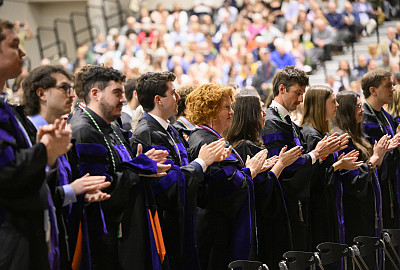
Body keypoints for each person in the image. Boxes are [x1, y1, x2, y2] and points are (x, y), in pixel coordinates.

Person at [69, 66, 170, 270]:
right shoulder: (84, 130)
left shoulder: (112, 125)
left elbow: (124, 166)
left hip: (129, 228)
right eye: (117, 93)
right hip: (106, 239)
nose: (124, 99)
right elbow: (101, 189)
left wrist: (141, 162)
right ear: (95, 94)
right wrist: (138, 168)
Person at [131, 72, 228, 270]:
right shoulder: (147, 133)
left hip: (184, 218)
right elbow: (166, 186)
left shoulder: (170, 129)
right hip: (168, 225)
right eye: (173, 93)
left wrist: (209, 160)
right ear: (158, 100)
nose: (178, 98)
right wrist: (201, 162)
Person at [22, 64, 111, 269]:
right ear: (41, 93)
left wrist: (81, 195)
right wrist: (73, 191)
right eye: (64, 88)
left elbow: (60, 187)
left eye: (72, 88)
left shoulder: (61, 131)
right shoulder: (27, 134)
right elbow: (27, 192)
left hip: (62, 236)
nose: (72, 95)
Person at [0, 19, 72, 269]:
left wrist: (45, 155)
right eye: (14, 45)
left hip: (34, 233)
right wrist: (44, 152)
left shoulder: (8, 110)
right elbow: (6, 176)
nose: (22, 53)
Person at [185, 83, 272, 269]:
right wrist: (250, 171)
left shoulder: (211, 138)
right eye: (226, 107)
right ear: (210, 110)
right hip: (215, 231)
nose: (232, 112)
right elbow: (220, 188)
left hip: (220, 228)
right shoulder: (205, 141)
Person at [260, 66, 347, 251]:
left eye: (303, 94)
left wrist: (320, 154)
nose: (300, 100)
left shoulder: (287, 121)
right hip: (283, 207)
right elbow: (284, 167)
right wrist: (316, 154)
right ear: (282, 89)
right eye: (297, 93)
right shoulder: (271, 122)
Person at [225, 92, 302, 270]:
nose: (264, 113)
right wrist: (281, 164)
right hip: (261, 226)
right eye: (260, 110)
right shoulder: (245, 147)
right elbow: (262, 191)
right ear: (250, 115)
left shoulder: (244, 144)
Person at [332, 91, 395, 269]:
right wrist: (375, 158)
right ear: (347, 110)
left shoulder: (358, 135)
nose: (361, 110)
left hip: (369, 208)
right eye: (358, 106)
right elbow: (353, 180)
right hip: (356, 211)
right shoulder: (342, 139)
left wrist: (381, 155)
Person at [300, 85, 362, 250]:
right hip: (319, 209)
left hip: (330, 203)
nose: (337, 105)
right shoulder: (311, 135)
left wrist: (340, 163)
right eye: (333, 101)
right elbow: (311, 177)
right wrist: (338, 165)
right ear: (320, 105)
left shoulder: (321, 133)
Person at [361, 69, 400, 232]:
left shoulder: (385, 115)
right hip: (378, 187)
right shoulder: (365, 118)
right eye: (388, 85)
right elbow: (375, 158)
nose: (393, 88)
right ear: (373, 91)